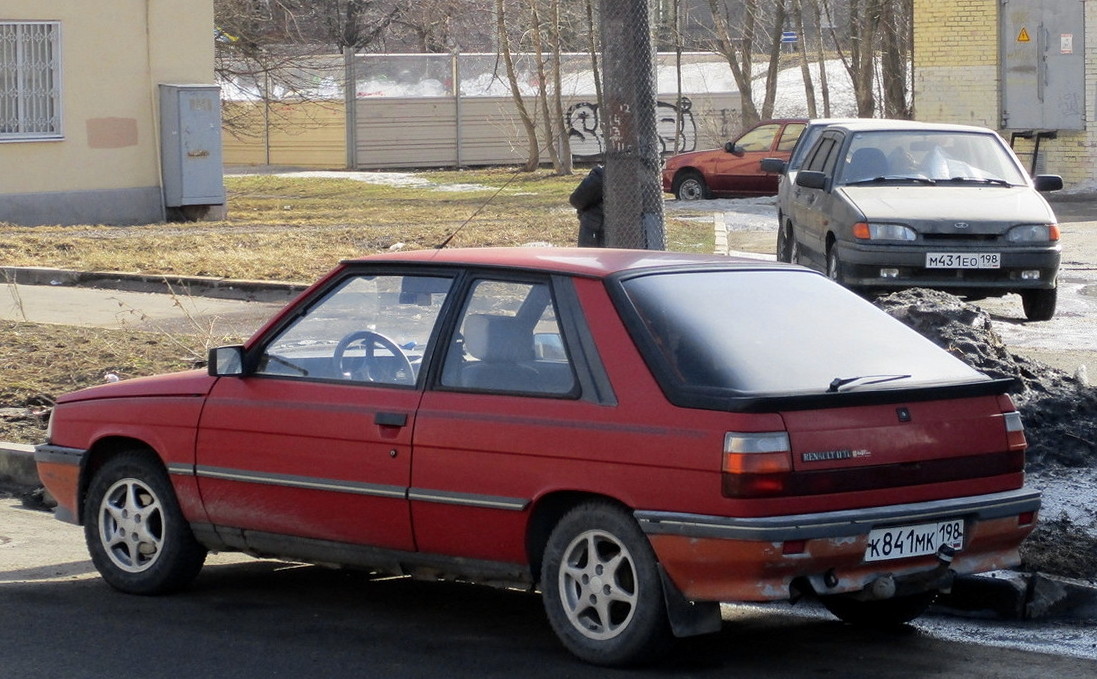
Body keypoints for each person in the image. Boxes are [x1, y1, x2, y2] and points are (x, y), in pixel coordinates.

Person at [569, 165, 604, 247]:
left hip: (598, 236)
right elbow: (576, 200)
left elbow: (577, 200)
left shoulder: (602, 175)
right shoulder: (638, 173)